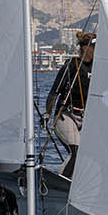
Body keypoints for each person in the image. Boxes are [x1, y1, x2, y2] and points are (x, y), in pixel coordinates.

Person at [46, 31, 94, 177]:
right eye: (94, 47)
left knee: (89, 158)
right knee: (76, 152)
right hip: (66, 116)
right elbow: (54, 92)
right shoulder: (72, 65)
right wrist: (47, 114)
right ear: (85, 48)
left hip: (86, 118)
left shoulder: (98, 67)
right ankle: (63, 184)